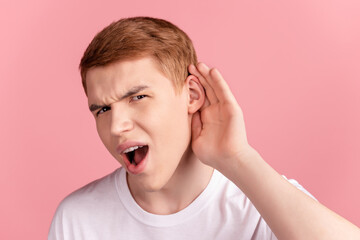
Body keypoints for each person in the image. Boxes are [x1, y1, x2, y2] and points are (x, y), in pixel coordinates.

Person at [48, 17, 360, 240]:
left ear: (193, 95)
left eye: (138, 97)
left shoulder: (261, 205)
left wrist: (238, 158)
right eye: (103, 109)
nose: (116, 126)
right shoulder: (78, 219)